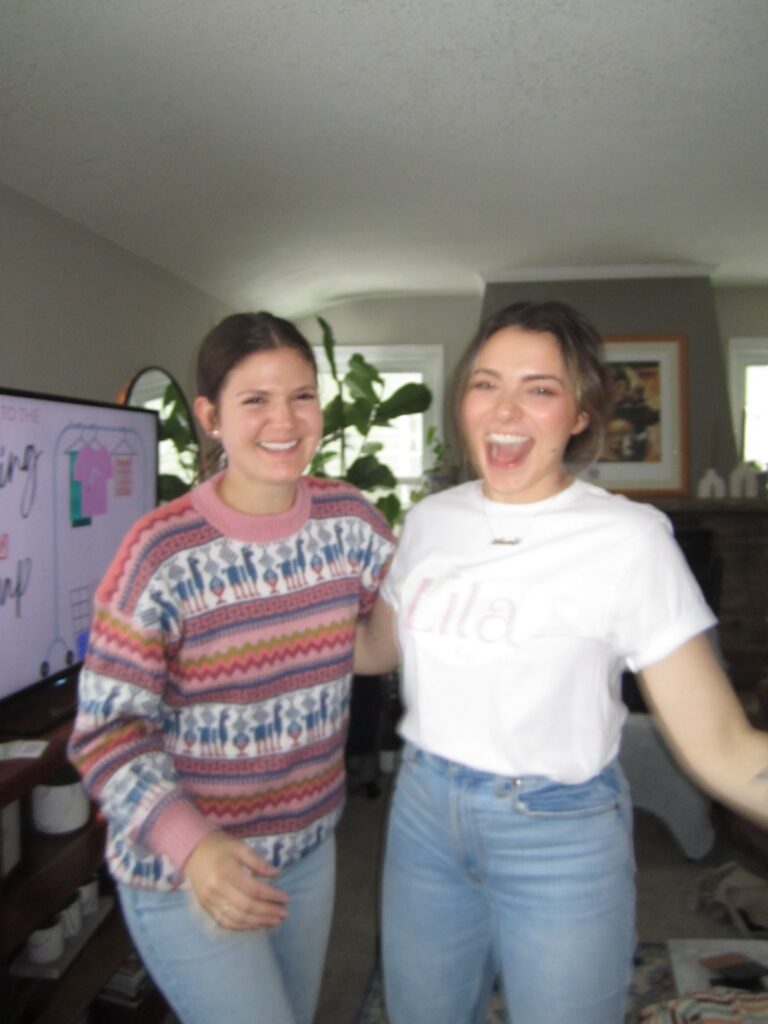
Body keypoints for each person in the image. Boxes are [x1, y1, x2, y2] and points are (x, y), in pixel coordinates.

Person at [355, 300, 768, 1024]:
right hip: (423, 814)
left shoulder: (628, 539)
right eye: (485, 384)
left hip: (559, 832)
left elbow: (724, 747)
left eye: (539, 388)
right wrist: (269, 611)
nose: (504, 408)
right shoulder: (429, 520)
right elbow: (375, 648)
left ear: (579, 414)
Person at [68, 312, 395, 1024]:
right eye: (256, 400)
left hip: (308, 847)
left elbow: (372, 646)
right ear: (210, 415)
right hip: (186, 866)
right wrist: (197, 848)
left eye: (302, 396)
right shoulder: (159, 551)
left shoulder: (351, 521)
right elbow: (106, 734)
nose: (286, 419)